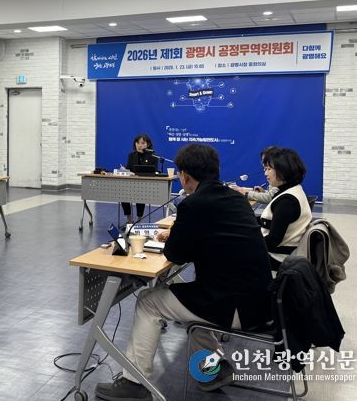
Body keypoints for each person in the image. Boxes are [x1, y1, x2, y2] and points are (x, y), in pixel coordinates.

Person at [95, 144, 273, 401]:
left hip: (234, 305)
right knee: (187, 301)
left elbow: (175, 255)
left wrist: (180, 233)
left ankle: (134, 383)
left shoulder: (194, 204)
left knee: (148, 301)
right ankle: (213, 370)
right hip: (259, 300)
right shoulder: (236, 199)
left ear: (185, 176)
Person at [259, 147, 312, 270]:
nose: (265, 174)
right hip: (284, 255)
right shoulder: (293, 190)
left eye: (269, 169)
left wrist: (246, 240)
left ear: (283, 169)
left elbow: (272, 242)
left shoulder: (287, 201)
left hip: (277, 259)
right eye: (265, 169)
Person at [121, 134, 159, 224]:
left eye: (142, 143)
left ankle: (139, 221)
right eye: (137, 143)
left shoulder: (153, 157)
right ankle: (129, 220)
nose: (139, 145)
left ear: (148, 144)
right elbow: (129, 169)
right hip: (131, 184)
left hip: (146, 185)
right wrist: (125, 170)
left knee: (140, 194)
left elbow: (154, 171)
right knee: (123, 193)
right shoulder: (131, 155)